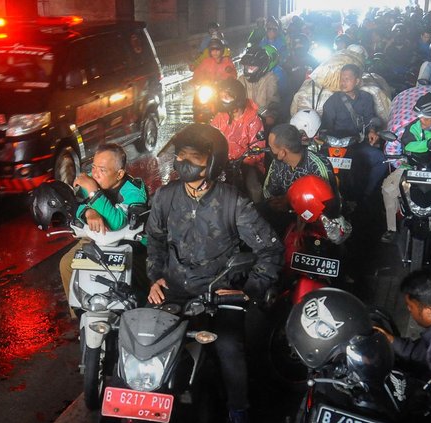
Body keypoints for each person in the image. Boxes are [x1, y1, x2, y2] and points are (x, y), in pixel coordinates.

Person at [146, 123, 284, 423]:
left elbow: (271, 250)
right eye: (181, 156)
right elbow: (154, 240)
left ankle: (239, 409)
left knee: (229, 345)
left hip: (220, 292)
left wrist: (248, 289)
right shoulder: (165, 197)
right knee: (145, 338)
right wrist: (155, 276)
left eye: (194, 157)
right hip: (174, 286)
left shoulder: (234, 202)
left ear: (211, 162)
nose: (184, 164)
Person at [59, 143, 149, 316]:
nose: (95, 174)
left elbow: (118, 222)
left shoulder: (134, 190)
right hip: (99, 240)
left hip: (132, 244)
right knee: (66, 264)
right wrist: (88, 211)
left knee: (137, 278)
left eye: (102, 170)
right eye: (93, 167)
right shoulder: (92, 183)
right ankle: (81, 316)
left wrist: (93, 192)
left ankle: (134, 318)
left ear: (119, 174)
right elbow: (76, 206)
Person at [375, 269, 431, 419]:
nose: (408, 310)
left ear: (428, 312)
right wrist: (390, 339)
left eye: (410, 306)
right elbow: (422, 351)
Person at [381, 90, 431, 245]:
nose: (421, 119)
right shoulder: (415, 127)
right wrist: (429, 144)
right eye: (420, 115)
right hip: (412, 168)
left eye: (426, 117)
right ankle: (392, 229)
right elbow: (407, 145)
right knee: (388, 189)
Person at [262, 123, 337, 235]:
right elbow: (268, 192)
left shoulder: (318, 166)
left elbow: (327, 208)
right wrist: (273, 202)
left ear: (282, 153)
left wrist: (291, 204)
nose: (270, 150)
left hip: (313, 222)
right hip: (284, 215)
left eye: (271, 148)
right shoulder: (277, 163)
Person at [210, 78, 265, 203]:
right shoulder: (220, 116)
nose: (223, 99)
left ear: (237, 97)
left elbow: (258, 146)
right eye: (221, 96)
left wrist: (245, 160)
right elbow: (211, 134)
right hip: (222, 162)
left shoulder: (253, 119)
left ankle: (259, 212)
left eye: (227, 96)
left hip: (245, 164)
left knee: (254, 188)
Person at [321, 64, 380, 143]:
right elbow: (326, 126)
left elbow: (370, 118)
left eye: (347, 79)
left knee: (376, 155)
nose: (343, 82)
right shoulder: (333, 101)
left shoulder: (366, 97)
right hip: (338, 144)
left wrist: (372, 131)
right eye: (341, 79)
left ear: (357, 81)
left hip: (360, 142)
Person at [238, 46, 280, 127]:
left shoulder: (270, 78)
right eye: (247, 66)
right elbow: (237, 97)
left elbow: (274, 100)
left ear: (262, 66)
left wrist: (271, 115)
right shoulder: (241, 79)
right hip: (245, 118)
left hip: (263, 119)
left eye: (253, 66)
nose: (249, 68)